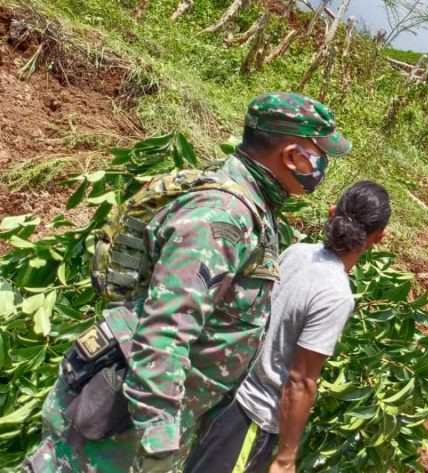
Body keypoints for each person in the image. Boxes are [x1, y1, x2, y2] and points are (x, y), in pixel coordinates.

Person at [22, 92, 352, 473]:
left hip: (144, 416)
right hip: (122, 431)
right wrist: (159, 443)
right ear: (293, 154)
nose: (323, 165)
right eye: (319, 153)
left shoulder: (254, 207)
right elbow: (166, 329)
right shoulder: (222, 217)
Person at [182, 181, 391, 473]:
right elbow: (300, 381)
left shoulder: (297, 252)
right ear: (378, 238)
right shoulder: (336, 294)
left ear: (332, 213)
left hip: (227, 392)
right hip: (252, 417)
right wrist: (286, 456)